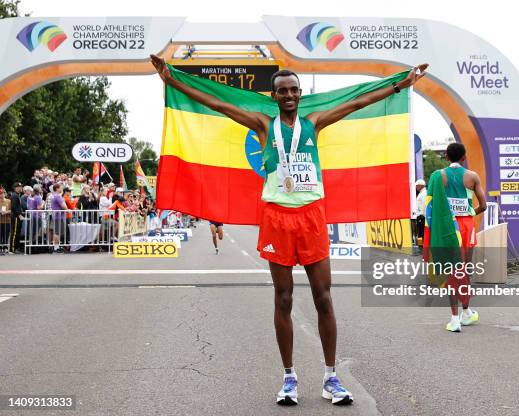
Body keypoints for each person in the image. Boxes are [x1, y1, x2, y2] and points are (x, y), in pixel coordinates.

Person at [151, 53, 428, 406]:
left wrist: (399, 84)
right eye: (282, 91)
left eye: (294, 90)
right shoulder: (262, 125)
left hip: (311, 215)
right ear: (273, 96)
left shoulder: (314, 121)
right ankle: (289, 377)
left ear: (300, 94)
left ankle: (330, 377)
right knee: (283, 298)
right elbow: (216, 104)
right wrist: (172, 80)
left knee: (323, 297)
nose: (290, 95)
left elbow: (357, 102)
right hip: (277, 217)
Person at [431, 143, 487, 333]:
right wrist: (471, 213)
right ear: (464, 157)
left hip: (448, 227)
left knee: (451, 271)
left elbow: (432, 207)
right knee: (464, 271)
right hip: (466, 227)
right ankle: (465, 312)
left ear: (446, 157)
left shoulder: (439, 176)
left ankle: (457, 317)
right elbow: (484, 206)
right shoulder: (472, 176)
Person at [9, 182, 24, 254]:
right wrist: (19, 215)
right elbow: (14, 207)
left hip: (17, 216)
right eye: (19, 187)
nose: (20, 188)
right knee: (14, 233)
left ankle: (16, 248)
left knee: (17, 232)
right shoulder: (14, 195)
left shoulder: (17, 195)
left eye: (21, 187)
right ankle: (12, 249)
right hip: (15, 216)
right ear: (16, 188)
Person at [414, 179, 427, 247]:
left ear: (421, 185)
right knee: (420, 231)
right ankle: (420, 245)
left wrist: (421, 214)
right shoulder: (422, 193)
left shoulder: (424, 193)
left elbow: (424, 205)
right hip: (420, 215)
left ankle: (421, 246)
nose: (416, 187)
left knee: (421, 232)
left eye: (417, 186)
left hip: (422, 216)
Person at [0, 188, 11, 254]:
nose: (2, 195)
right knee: (0, 235)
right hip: (0, 221)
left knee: (6, 235)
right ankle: (0, 247)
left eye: (3, 193)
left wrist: (6, 212)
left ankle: (5, 247)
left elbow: (11, 210)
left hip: (7, 220)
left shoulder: (9, 201)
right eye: (0, 193)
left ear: (5, 194)